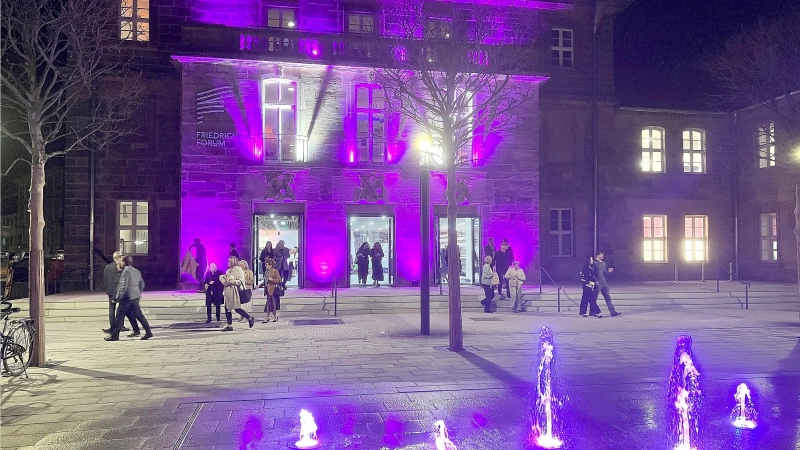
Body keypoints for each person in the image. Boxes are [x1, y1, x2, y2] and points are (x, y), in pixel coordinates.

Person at [105, 256, 153, 341]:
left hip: (126, 297)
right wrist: (138, 292)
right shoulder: (136, 271)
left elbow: (123, 286)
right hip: (135, 297)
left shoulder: (126, 272)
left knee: (119, 317)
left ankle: (115, 335)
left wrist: (118, 297)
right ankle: (148, 331)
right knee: (139, 316)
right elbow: (142, 283)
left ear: (124, 262)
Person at [102, 251, 134, 335]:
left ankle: (113, 326)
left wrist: (107, 289)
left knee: (111, 309)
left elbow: (105, 279)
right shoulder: (121, 267)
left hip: (110, 291)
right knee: (121, 309)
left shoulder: (107, 267)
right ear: (119, 258)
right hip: (119, 291)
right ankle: (120, 326)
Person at [221, 256, 255, 331]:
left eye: (229, 261)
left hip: (237, 291)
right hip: (229, 291)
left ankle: (249, 318)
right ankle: (229, 325)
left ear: (233, 262)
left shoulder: (238, 269)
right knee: (227, 308)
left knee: (237, 308)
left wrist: (232, 282)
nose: (228, 263)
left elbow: (241, 281)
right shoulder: (228, 271)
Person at [595, 251, 621, 317]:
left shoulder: (603, 263)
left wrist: (608, 271)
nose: (602, 256)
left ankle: (612, 312)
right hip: (598, 283)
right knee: (594, 298)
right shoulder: (595, 263)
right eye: (601, 254)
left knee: (608, 297)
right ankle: (593, 311)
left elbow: (605, 273)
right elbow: (593, 273)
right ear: (597, 255)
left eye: (602, 254)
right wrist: (595, 281)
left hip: (604, 283)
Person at [263, 258, 281, 323]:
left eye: (267, 264)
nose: (265, 265)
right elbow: (265, 281)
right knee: (268, 304)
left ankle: (275, 316)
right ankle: (267, 317)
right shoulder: (266, 272)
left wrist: (272, 280)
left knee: (273, 304)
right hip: (267, 290)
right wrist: (259, 285)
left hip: (273, 290)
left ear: (271, 265)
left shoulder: (275, 271)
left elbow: (279, 280)